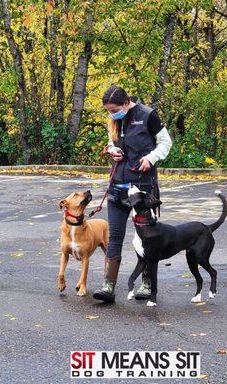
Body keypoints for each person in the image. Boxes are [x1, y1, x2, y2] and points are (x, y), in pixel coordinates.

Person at [93, 85, 172, 302]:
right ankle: (108, 286)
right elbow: (112, 141)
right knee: (115, 236)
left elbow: (166, 143)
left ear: (126, 103)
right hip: (118, 185)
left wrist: (151, 158)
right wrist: (112, 150)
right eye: (108, 110)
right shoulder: (114, 119)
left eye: (114, 109)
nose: (112, 114)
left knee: (146, 237)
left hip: (142, 187)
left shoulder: (148, 115)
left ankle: (147, 284)